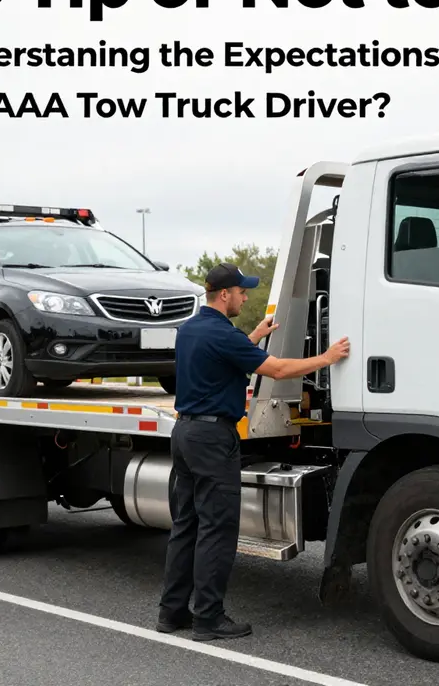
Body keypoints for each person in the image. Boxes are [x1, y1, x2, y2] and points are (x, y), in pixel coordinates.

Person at [156, 261, 350, 641]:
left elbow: (221, 357)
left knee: (187, 526)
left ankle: (171, 612)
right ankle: (208, 619)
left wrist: (254, 336)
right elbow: (276, 370)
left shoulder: (190, 330)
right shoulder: (223, 334)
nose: (245, 297)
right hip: (214, 439)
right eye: (242, 292)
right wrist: (326, 359)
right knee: (217, 529)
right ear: (224, 294)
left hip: (185, 433)